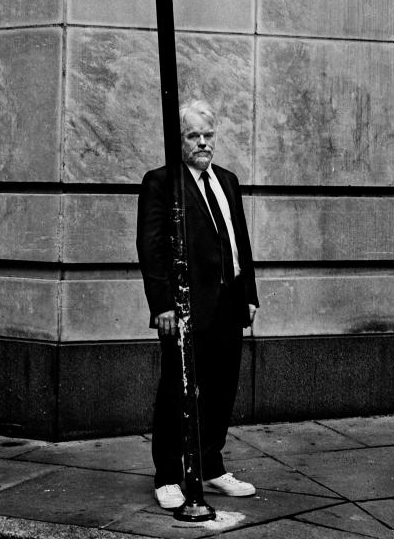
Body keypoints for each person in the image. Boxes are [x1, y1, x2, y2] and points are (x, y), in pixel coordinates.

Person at [136, 99, 259, 510]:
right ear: (179, 140)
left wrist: (250, 295)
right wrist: (163, 305)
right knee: (177, 387)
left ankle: (210, 465)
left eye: (208, 135)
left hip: (228, 305)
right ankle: (168, 475)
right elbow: (151, 248)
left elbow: (239, 241)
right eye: (194, 136)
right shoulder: (161, 182)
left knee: (223, 387)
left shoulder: (227, 180)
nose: (203, 143)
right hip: (186, 308)